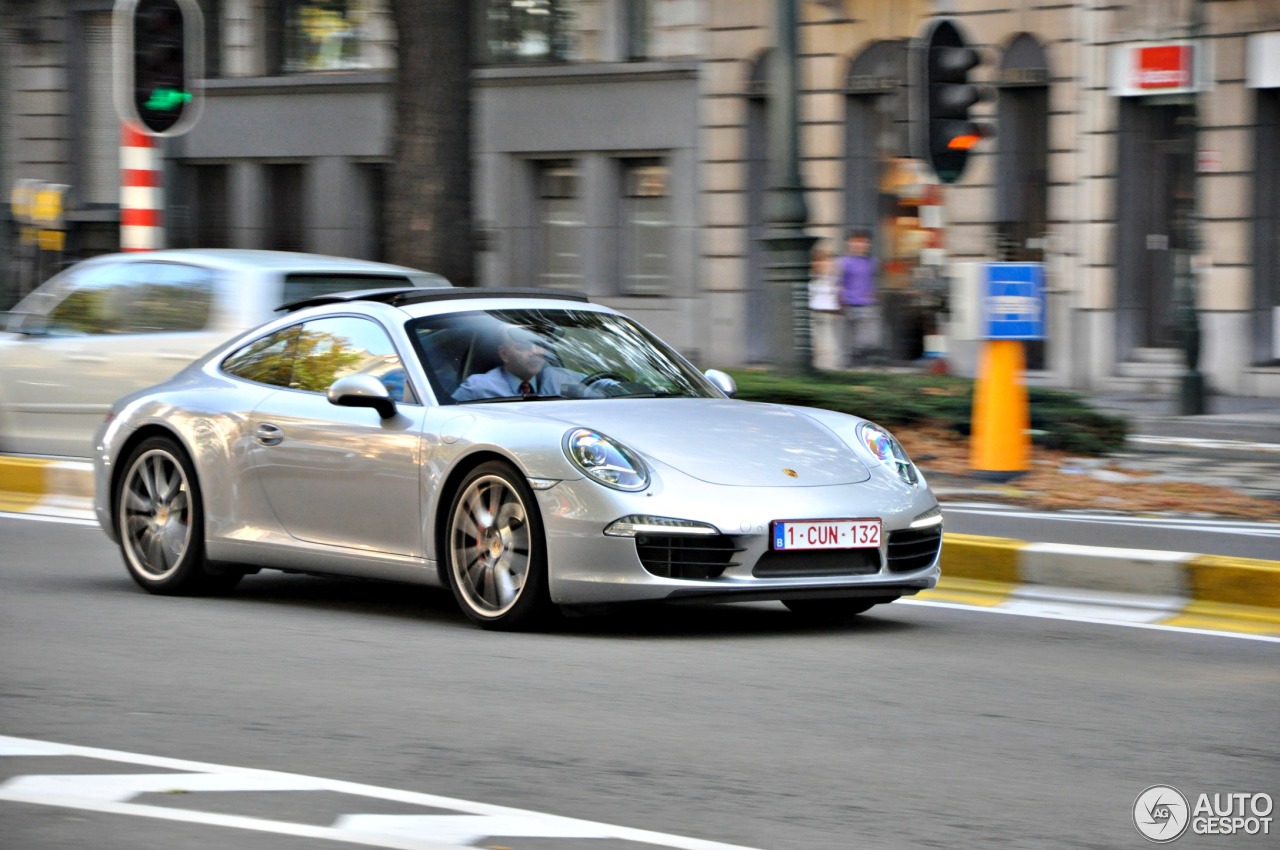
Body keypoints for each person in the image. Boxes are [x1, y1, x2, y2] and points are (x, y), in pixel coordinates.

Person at [452, 325, 611, 402]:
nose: (535, 352)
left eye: (539, 345)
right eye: (524, 346)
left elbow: (598, 385)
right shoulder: (478, 388)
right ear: (504, 354)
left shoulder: (558, 379)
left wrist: (623, 387)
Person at [838, 228, 881, 367]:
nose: (863, 245)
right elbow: (838, 283)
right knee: (849, 340)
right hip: (849, 304)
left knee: (871, 339)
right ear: (849, 243)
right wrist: (840, 301)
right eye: (858, 242)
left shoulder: (872, 262)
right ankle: (852, 364)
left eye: (865, 242)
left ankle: (862, 359)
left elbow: (875, 281)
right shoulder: (843, 262)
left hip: (868, 304)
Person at [807, 242, 842, 370]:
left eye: (826, 260)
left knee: (828, 344)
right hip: (814, 312)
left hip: (826, 314)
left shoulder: (830, 277)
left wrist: (837, 308)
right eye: (820, 261)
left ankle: (827, 366)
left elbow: (834, 294)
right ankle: (822, 366)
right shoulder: (813, 277)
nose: (824, 264)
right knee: (817, 345)